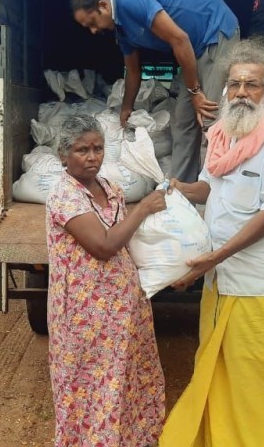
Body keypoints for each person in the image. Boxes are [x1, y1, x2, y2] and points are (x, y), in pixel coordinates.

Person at [159, 39, 264, 446]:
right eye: (234, 84)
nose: (241, 92)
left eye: (252, 85)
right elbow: (208, 188)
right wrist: (177, 187)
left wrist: (214, 257)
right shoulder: (221, 135)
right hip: (223, 281)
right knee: (221, 372)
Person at [45, 113, 167, 446]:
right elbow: (103, 246)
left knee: (126, 381)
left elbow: (126, 241)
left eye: (97, 148)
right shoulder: (64, 195)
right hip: (85, 317)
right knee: (91, 389)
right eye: (82, 150)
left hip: (124, 309)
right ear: (63, 155)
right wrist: (143, 209)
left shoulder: (110, 188)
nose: (92, 157)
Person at [71, 0, 240, 183]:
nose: (93, 30)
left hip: (213, 31)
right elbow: (133, 71)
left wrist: (195, 92)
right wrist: (126, 107)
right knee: (183, 120)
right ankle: (180, 187)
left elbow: (179, 39)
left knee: (209, 117)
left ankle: (214, 187)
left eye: (92, 22)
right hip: (193, 50)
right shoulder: (122, 30)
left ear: (104, 5)